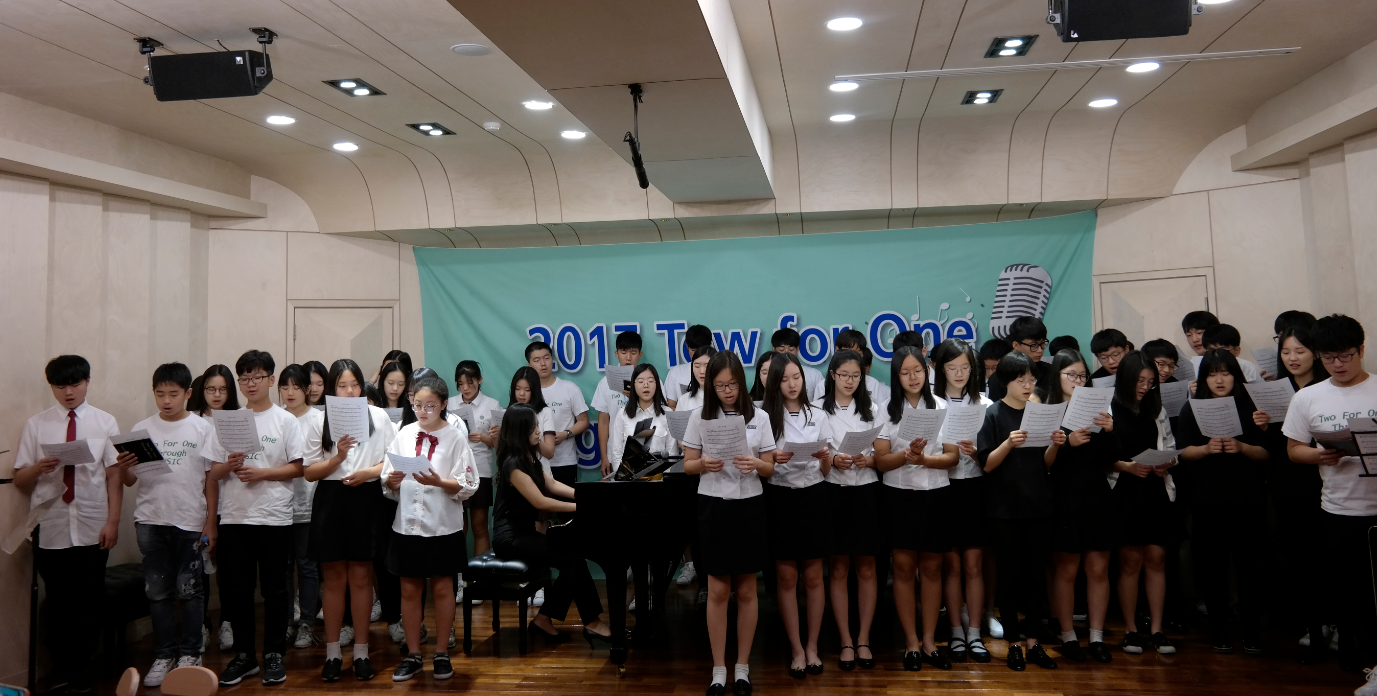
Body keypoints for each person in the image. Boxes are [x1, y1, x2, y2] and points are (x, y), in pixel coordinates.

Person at [13, 355, 122, 693]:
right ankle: (60, 667)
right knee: (58, 602)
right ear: (52, 387)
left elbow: (114, 475)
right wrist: (40, 468)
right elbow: (20, 478)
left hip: (92, 524)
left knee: (88, 600)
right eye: (60, 386)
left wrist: (113, 522)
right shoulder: (37, 424)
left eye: (75, 384)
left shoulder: (105, 422)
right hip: (51, 525)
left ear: (87, 382)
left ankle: (82, 670)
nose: (69, 392)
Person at [1282, 314, 1377, 673]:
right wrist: (1319, 455)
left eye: (1345, 355)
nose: (1337, 364)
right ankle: (1349, 652)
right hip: (1338, 508)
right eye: (1328, 357)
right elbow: (1294, 450)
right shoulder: (1308, 397)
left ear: (1361, 349)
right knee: (1345, 587)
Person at [205, 350, 306, 687]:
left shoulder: (285, 420)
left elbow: (298, 468)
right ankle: (245, 656)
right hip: (235, 516)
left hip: (274, 516)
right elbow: (214, 472)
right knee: (238, 589)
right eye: (244, 378)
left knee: (275, 589)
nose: (250, 383)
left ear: (270, 379)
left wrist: (262, 473)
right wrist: (230, 464)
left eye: (257, 377)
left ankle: (274, 653)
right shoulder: (228, 420)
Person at [681, 351, 777, 696]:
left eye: (732, 384)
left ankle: (743, 667)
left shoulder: (760, 416)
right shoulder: (699, 416)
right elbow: (688, 465)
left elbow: (770, 467)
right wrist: (704, 464)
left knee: (748, 590)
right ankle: (719, 668)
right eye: (720, 385)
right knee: (719, 590)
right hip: (714, 505)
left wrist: (756, 464)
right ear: (710, 385)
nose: (727, 391)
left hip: (749, 505)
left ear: (741, 382)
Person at [117, 363, 217, 685]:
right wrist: (124, 466)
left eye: (173, 394)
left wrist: (210, 523)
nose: (166, 400)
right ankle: (163, 655)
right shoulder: (142, 429)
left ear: (188, 393)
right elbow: (129, 481)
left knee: (189, 590)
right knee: (157, 591)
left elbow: (211, 479)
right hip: (150, 520)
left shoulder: (202, 428)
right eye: (160, 394)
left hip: (189, 520)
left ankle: (191, 651)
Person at [304, 358, 398, 682]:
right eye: (341, 385)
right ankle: (332, 653)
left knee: (361, 577)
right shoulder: (318, 419)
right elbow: (309, 472)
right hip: (331, 499)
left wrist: (368, 473)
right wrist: (339, 458)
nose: (348, 391)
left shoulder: (378, 416)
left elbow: (391, 460)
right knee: (333, 579)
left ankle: (361, 652)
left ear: (362, 386)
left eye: (354, 385)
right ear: (332, 389)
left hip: (365, 497)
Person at [383, 376, 480, 682]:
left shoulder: (455, 437)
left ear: (443, 405)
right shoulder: (404, 434)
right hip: (407, 525)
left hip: (442, 526)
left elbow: (469, 484)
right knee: (410, 590)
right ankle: (413, 654)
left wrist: (439, 481)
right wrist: (391, 481)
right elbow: (387, 479)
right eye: (418, 405)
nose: (423, 411)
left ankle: (441, 653)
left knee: (442, 588)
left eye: (430, 406)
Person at [491, 405, 613, 645]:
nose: (539, 430)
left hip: (524, 533)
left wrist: (587, 497)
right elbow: (540, 501)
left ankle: (545, 619)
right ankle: (591, 623)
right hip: (510, 537)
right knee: (571, 559)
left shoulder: (529, 457)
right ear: (521, 430)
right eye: (534, 427)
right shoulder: (512, 464)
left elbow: (553, 485)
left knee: (573, 560)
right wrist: (582, 508)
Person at [1175, 349, 1270, 654]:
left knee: (1250, 567)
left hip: (1248, 499)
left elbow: (1266, 453)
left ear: (1236, 376)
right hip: (1207, 500)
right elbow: (1182, 452)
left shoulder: (1253, 406)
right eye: (1212, 373)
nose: (1219, 379)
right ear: (1203, 378)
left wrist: (1242, 447)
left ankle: (1252, 631)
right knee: (1212, 567)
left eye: (1226, 373)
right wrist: (1206, 449)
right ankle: (1219, 630)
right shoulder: (1193, 408)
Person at [874, 347, 960, 671]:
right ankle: (911, 643)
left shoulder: (942, 406)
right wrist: (906, 456)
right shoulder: (885, 410)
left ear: (927, 372)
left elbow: (952, 457)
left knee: (933, 569)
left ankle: (929, 641)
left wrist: (924, 460)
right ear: (896, 376)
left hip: (935, 493)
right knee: (903, 569)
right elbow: (881, 461)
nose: (913, 377)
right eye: (905, 372)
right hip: (898, 495)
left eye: (918, 371)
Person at [975, 351, 1059, 671]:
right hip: (1004, 508)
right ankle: (1013, 643)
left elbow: (1045, 463)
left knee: (1036, 576)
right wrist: (1009, 443)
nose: (1027, 385)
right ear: (1005, 381)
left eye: (1031, 379)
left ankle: (1034, 642)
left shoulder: (1039, 413)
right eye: (1021, 379)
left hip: (1039, 505)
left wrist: (1055, 443)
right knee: (1009, 576)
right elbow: (986, 464)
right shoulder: (993, 414)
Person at [1040, 350, 1117, 664]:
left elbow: (1110, 458)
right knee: (1067, 569)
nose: (1078, 380)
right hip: (1063, 496)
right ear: (1057, 376)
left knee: (1098, 569)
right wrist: (1066, 443)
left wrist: (1109, 431)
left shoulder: (1100, 407)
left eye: (1082, 375)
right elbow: (1042, 464)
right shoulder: (1048, 409)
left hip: (1097, 494)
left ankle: (1096, 636)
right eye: (1071, 375)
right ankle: (1068, 635)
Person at [759, 352, 832, 679]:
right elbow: (760, 467)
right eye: (785, 379)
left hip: (814, 496)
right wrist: (773, 459)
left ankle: (813, 646)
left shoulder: (818, 414)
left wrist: (825, 457)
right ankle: (796, 649)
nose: (792, 384)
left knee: (814, 577)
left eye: (796, 377)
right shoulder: (764, 416)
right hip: (780, 498)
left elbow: (826, 470)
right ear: (774, 382)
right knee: (787, 578)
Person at [1109, 351, 1178, 657]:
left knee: (1156, 558)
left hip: (1153, 488)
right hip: (1124, 490)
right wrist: (1126, 467)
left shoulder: (1156, 408)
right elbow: (1100, 455)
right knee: (1130, 562)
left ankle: (1157, 629)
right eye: (1140, 381)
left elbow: (1170, 446)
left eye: (1150, 382)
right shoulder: (1109, 407)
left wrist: (1167, 463)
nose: (1145, 387)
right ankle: (1130, 629)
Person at [818, 349, 883, 672]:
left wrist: (867, 459)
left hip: (866, 489)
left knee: (867, 568)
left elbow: (882, 453)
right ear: (832, 375)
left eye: (856, 376)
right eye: (844, 375)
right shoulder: (818, 408)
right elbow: (815, 455)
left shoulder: (873, 408)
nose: (849, 381)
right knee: (839, 568)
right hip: (834, 491)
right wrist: (833, 459)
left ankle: (864, 638)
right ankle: (845, 639)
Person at [929, 338, 994, 661]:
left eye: (965, 368)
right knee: (952, 565)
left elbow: (995, 454)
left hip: (976, 488)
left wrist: (977, 452)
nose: (959, 373)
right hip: (944, 487)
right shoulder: (932, 404)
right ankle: (956, 630)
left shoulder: (986, 403)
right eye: (952, 367)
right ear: (941, 369)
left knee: (973, 564)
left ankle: (975, 632)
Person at [1267, 325, 1329, 662]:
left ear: (1315, 354)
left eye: (1300, 351)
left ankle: (1333, 622)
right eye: (1286, 351)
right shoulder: (1277, 389)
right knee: (1296, 554)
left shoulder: (1325, 388)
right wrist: (1263, 426)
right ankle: (1310, 624)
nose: (1292, 358)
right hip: (1286, 481)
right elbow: (1273, 445)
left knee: (1325, 555)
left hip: (1322, 479)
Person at [187, 363, 238, 651]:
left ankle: (227, 621)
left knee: (229, 570)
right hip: (197, 506)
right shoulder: (192, 421)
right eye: (210, 389)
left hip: (231, 506)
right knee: (200, 569)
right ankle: (202, 623)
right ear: (201, 390)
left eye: (222, 389)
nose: (216, 395)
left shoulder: (238, 419)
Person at [278, 365, 326, 649]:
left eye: (296, 386)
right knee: (283, 569)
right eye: (285, 387)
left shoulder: (319, 418)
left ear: (308, 389)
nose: (290, 392)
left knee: (307, 567)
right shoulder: (276, 417)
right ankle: (286, 622)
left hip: (310, 504)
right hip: (279, 507)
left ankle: (306, 622)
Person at [450, 360, 501, 560]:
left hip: (480, 471)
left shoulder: (492, 405)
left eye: (470, 383)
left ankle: (481, 575)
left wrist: (483, 438)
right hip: (455, 471)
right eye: (461, 384)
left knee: (479, 526)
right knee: (457, 526)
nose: (465, 388)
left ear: (480, 380)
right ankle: (458, 574)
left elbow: (499, 445)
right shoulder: (450, 404)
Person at [526, 341, 590, 487]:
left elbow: (583, 421)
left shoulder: (569, 388)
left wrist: (566, 434)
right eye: (537, 360)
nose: (543, 364)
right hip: (533, 461)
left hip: (564, 461)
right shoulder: (526, 392)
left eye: (546, 358)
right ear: (529, 365)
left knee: (566, 500)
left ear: (552, 360)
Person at [606, 363, 679, 470]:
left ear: (657, 384)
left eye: (650, 381)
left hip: (660, 477)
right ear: (633, 385)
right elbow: (617, 453)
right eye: (640, 381)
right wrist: (624, 476)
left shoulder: (668, 414)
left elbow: (672, 453)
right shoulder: (623, 414)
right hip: (629, 477)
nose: (646, 385)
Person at [593, 331, 644, 475]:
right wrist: (604, 456)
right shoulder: (605, 383)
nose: (628, 357)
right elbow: (603, 421)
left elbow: (659, 413)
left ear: (640, 354)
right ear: (616, 354)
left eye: (633, 352)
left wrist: (636, 396)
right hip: (615, 452)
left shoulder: (651, 380)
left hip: (645, 451)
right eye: (623, 352)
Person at [665, 324, 714, 407]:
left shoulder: (719, 371)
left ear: (710, 347)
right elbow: (671, 406)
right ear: (687, 346)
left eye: (701, 351)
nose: (697, 355)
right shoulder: (675, 372)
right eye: (693, 350)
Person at [835, 330, 889, 406]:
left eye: (857, 353)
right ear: (837, 350)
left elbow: (880, 411)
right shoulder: (822, 386)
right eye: (848, 352)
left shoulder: (872, 384)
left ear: (862, 354)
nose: (853, 357)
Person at [771, 328, 825, 400]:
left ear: (797, 350)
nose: (786, 353)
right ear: (774, 350)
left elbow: (823, 402)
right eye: (781, 349)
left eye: (791, 349)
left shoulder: (814, 375)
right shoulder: (768, 375)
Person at [376, 360, 417, 426]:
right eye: (390, 383)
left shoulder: (411, 406)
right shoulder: (375, 404)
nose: (395, 388)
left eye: (401, 384)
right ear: (383, 382)